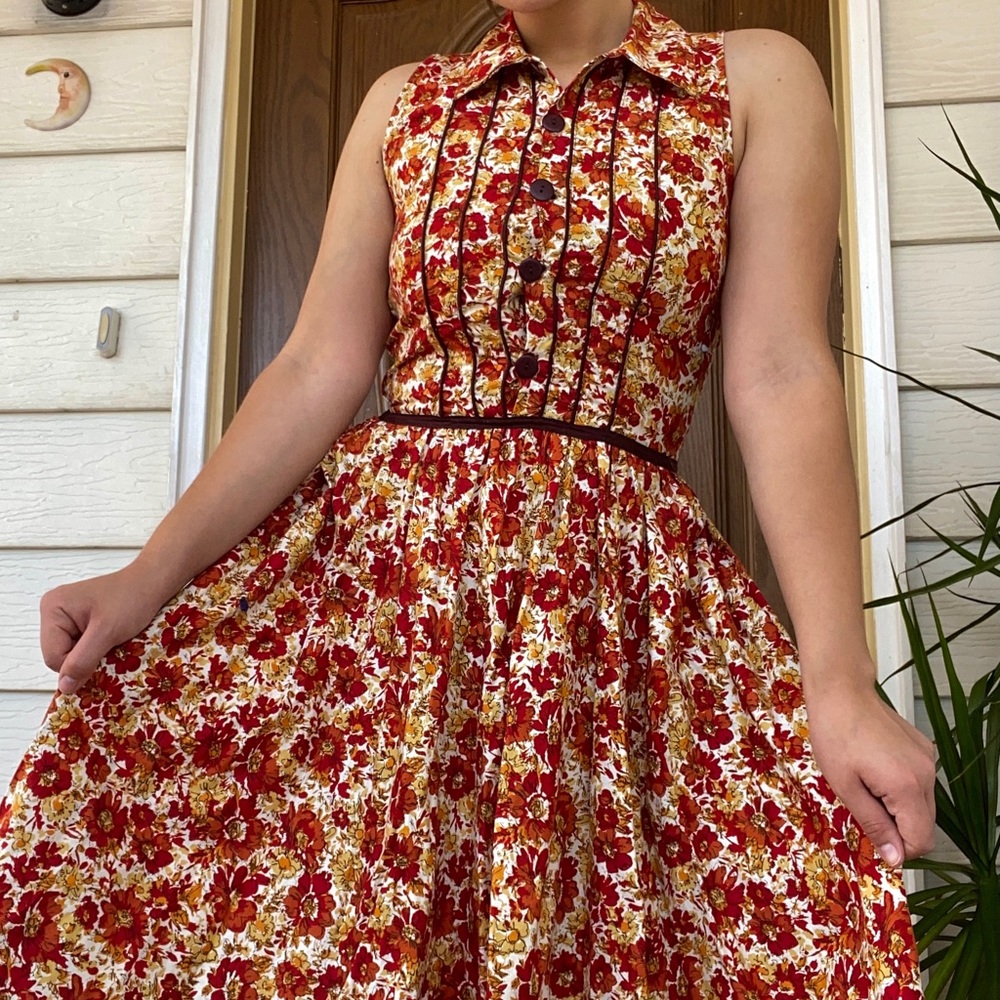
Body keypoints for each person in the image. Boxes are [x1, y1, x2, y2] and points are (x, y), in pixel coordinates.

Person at [0, 0, 937, 996]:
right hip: (380, 614)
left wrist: (838, 677)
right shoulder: (402, 103)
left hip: (606, 622)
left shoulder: (751, 81)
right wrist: (150, 576)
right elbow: (317, 366)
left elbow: (782, 373)